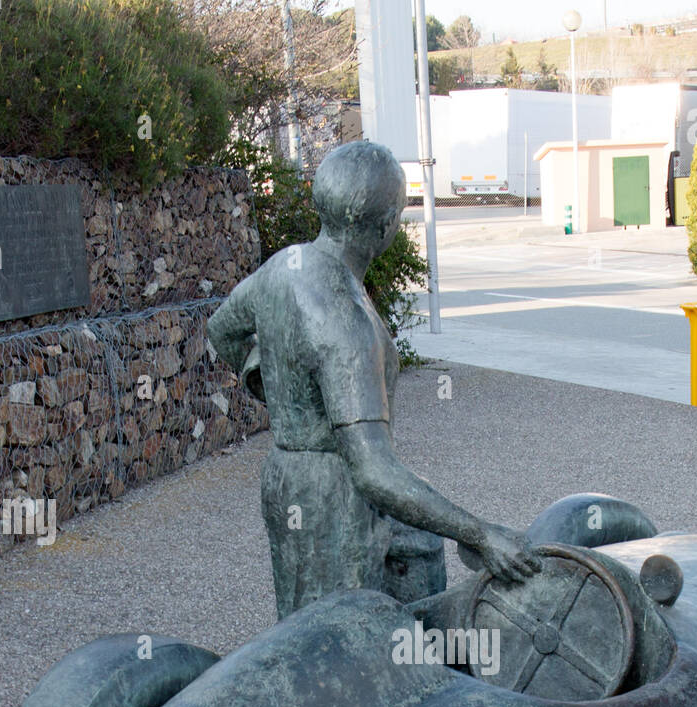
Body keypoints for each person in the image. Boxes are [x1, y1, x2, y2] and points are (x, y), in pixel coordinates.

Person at [207, 140, 541, 620]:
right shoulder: (348, 328)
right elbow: (373, 471)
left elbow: (222, 329)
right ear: (385, 226)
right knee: (338, 640)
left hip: (289, 474)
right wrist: (480, 534)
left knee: (310, 618)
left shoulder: (287, 264)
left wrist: (284, 388)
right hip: (331, 492)